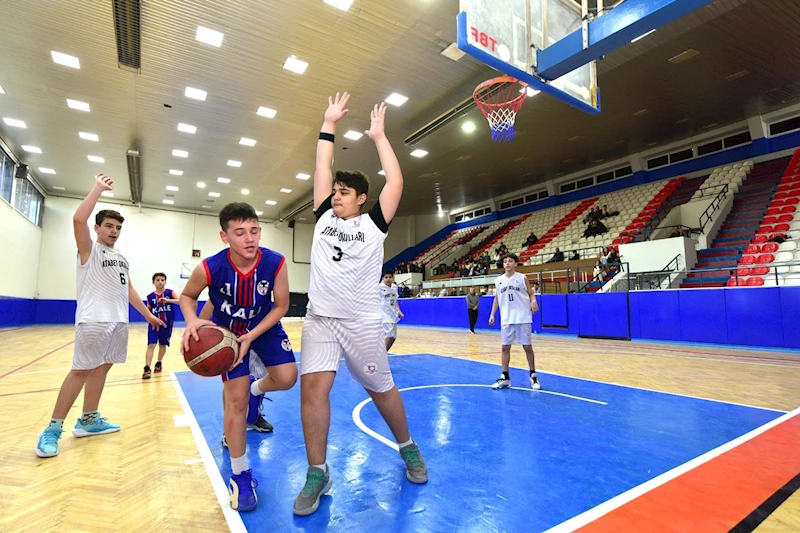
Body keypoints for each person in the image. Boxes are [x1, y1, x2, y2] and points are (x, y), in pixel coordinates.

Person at [295, 93, 427, 517]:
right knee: (313, 389)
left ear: (361, 198)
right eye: (335, 191)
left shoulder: (375, 225)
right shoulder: (321, 216)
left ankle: (408, 447)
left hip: (361, 322)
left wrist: (379, 136)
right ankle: (318, 471)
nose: (335, 195)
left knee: (381, 389)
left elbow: (397, 182)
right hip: (319, 319)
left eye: (344, 192)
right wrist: (328, 122)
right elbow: (321, 166)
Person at [35, 174, 165, 459]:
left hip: (119, 321)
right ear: (97, 227)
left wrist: (148, 316)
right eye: (109, 226)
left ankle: (88, 419)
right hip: (94, 319)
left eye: (118, 227)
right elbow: (77, 220)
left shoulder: (122, 258)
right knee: (80, 370)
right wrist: (97, 189)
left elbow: (129, 289)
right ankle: (52, 430)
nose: (114, 231)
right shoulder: (88, 250)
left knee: (102, 368)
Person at [180, 202, 297, 513]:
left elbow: (281, 306)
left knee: (287, 379)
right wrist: (192, 321)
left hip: (262, 327)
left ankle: (258, 392)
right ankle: (240, 475)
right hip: (228, 335)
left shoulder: (275, 262)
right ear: (224, 236)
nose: (249, 238)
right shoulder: (210, 267)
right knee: (236, 400)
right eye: (240, 232)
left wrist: (253, 335)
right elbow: (187, 296)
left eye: (254, 231)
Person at [488, 254, 540, 391]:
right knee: (505, 347)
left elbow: (531, 293)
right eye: (505, 261)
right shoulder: (498, 280)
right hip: (506, 318)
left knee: (527, 347)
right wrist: (492, 314)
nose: (507, 263)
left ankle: (533, 374)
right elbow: (497, 298)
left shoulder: (522, 278)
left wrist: (533, 301)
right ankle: (505, 377)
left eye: (510, 261)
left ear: (516, 264)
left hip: (522, 317)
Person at [142, 272, 179, 379]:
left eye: (162, 280)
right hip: (154, 324)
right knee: (151, 345)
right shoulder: (150, 297)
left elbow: (180, 300)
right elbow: (147, 311)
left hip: (167, 324)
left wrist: (168, 300)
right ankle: (147, 368)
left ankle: (159, 363)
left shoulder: (170, 293)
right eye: (158, 280)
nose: (160, 282)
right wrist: (148, 318)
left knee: (162, 344)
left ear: (165, 282)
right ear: (153, 282)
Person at [380, 270, 404, 351]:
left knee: (393, 337)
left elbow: (395, 300)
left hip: (393, 314)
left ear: (393, 278)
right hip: (384, 315)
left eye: (390, 277)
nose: (388, 279)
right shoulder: (379, 287)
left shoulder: (394, 287)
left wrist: (399, 310)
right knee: (389, 336)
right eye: (386, 277)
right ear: (383, 278)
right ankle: (381, 355)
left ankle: (382, 354)